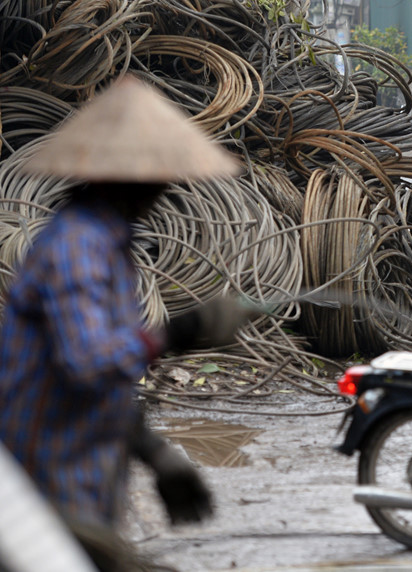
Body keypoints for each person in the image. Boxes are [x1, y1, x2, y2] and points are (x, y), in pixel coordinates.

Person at [0, 76, 252, 563]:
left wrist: (154, 454)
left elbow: (101, 389)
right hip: (40, 491)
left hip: (83, 480)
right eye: (158, 175)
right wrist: (179, 333)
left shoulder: (110, 248)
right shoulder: (79, 249)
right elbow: (90, 362)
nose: (165, 186)